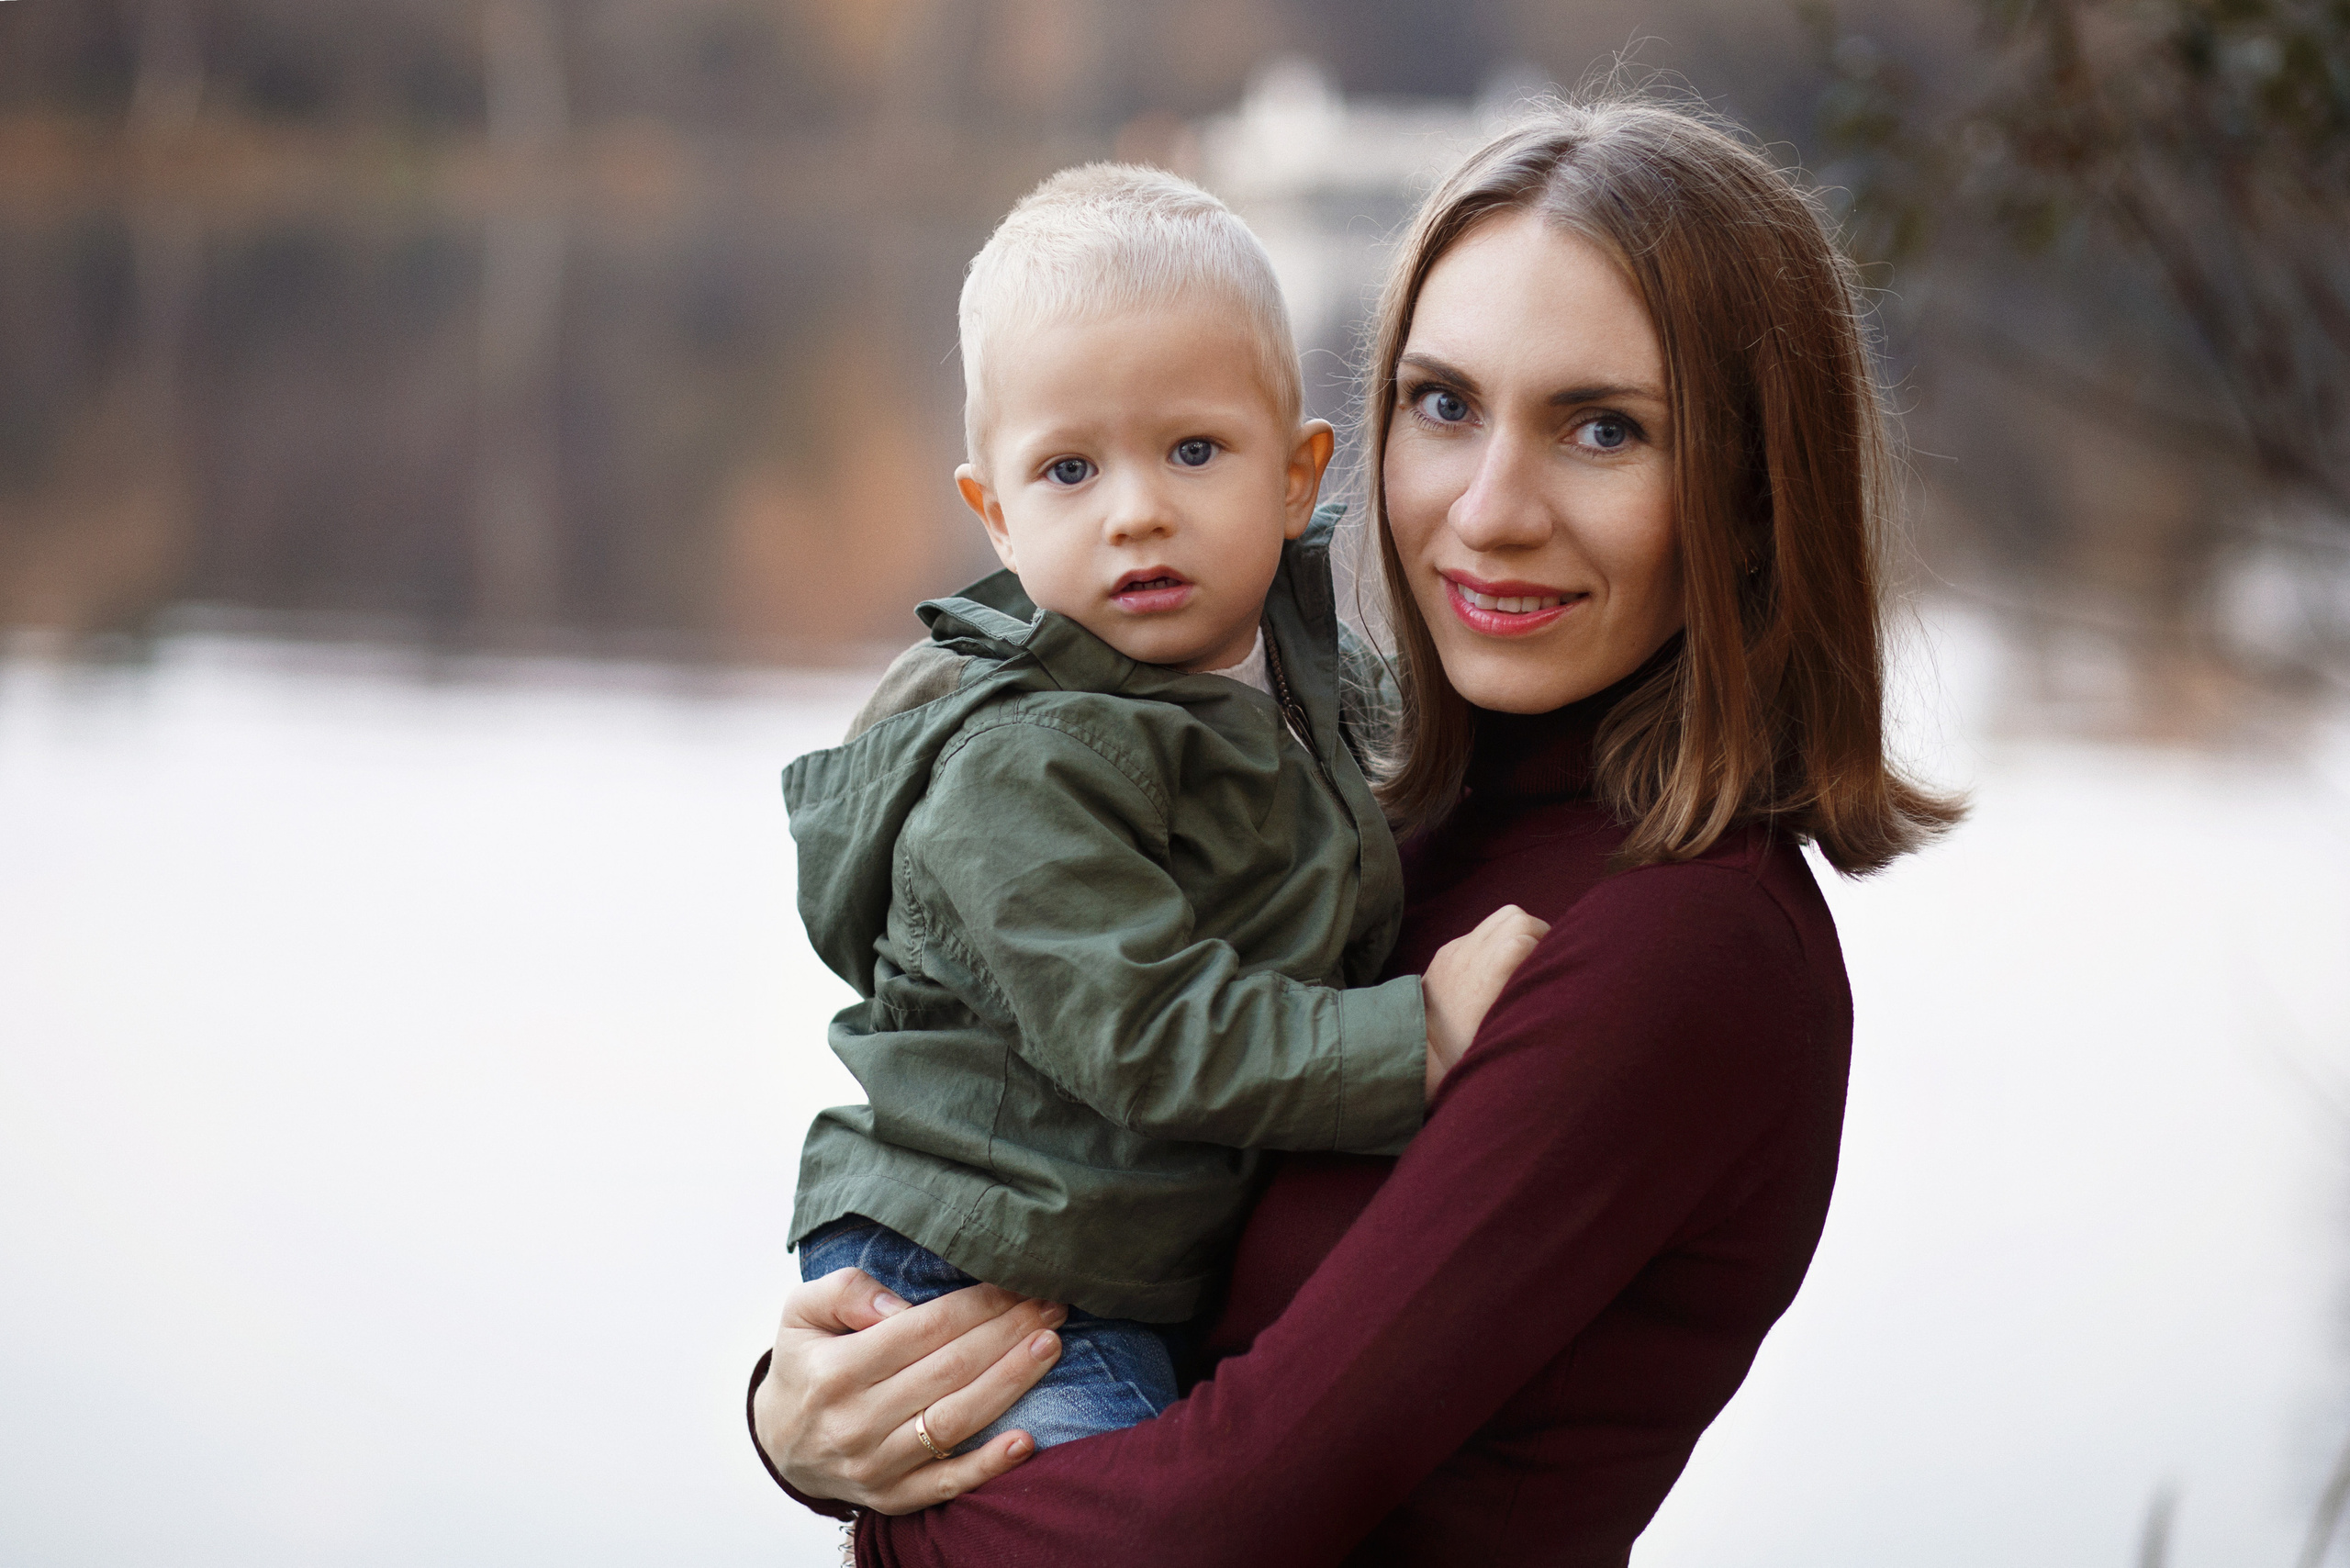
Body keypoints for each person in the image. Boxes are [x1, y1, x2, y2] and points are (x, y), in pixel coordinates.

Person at [750, 96, 1964, 1563]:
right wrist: (816, 1417)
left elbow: (1217, 1522)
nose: (1490, 509)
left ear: (1756, 497)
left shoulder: (1682, 945)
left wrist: (891, 1518)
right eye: (1444, 406)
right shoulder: (1375, 809)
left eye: (1602, 429)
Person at [781, 162, 1547, 1455]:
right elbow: (1146, 1028)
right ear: (996, 515)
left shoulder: (1317, 675)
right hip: (976, 1266)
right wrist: (1412, 1039)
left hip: (1114, 1249)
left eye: (1193, 451)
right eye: (1069, 469)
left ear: (1296, 476)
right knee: (1136, 1528)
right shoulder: (1021, 768)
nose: (1137, 512)